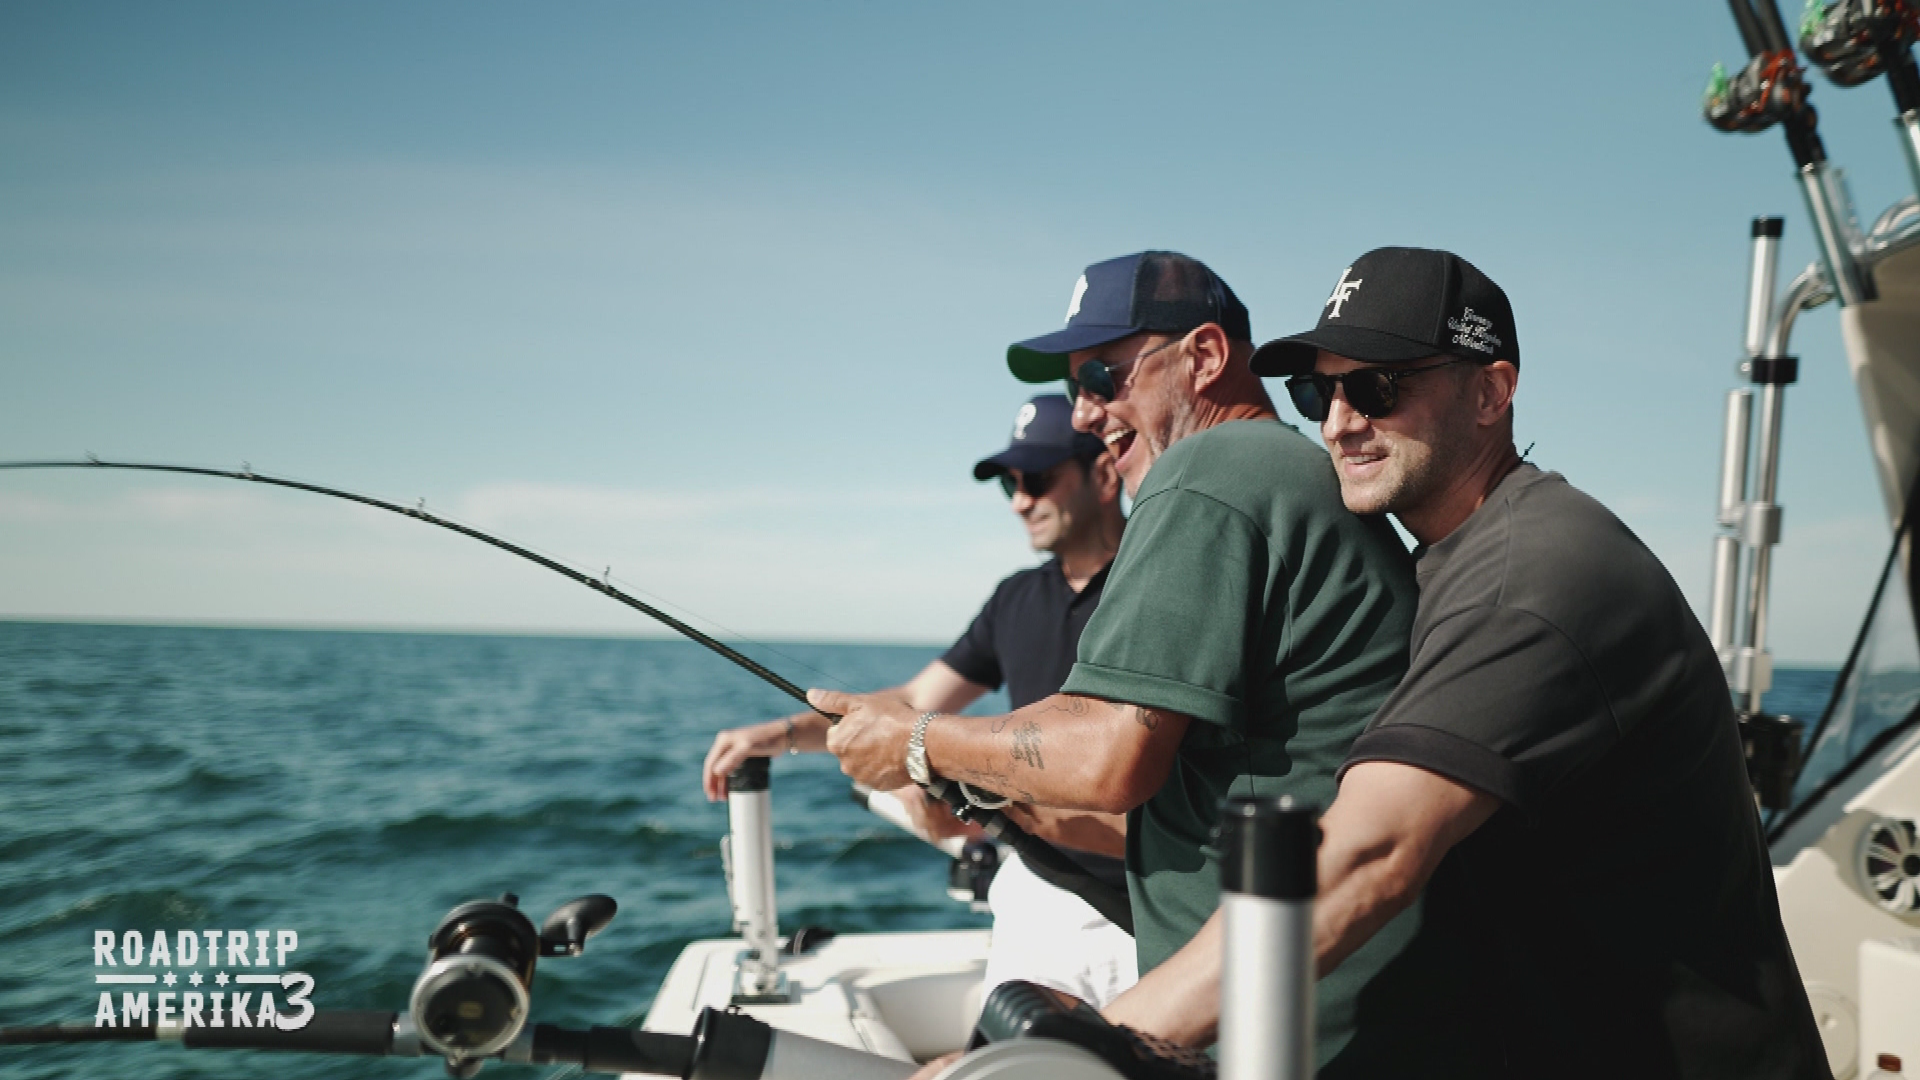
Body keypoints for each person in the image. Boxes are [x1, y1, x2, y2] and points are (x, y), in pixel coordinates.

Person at [1104, 246, 1829, 1079]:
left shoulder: (1536, 579)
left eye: (1379, 387)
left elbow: (1367, 857)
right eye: (1320, 391)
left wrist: (1094, 1044)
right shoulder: (1457, 561)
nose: (1338, 421)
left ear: (1491, 392)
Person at [815, 251, 1420, 1069]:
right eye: (1075, 389)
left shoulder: (1207, 476)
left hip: (1286, 1031)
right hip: (1310, 998)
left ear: (1205, 357)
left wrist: (919, 742)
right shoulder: (1281, 476)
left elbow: (1110, 754)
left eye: (1104, 376)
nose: (1089, 412)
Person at [702, 393, 1138, 1007]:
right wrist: (781, 735)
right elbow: (911, 699)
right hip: (1031, 894)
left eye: (1038, 480)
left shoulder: (1148, 589)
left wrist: (973, 783)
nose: (1020, 501)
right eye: (1010, 485)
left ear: (1100, 474)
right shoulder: (1014, 599)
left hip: (1137, 909)